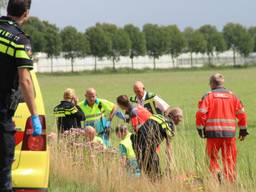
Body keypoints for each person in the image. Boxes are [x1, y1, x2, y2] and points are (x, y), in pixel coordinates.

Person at [0, 0, 42, 191]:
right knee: (3, 172)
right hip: (2, 113)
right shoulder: (19, 40)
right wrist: (34, 116)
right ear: (26, 13)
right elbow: (25, 81)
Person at [196, 73, 248, 183]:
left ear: (212, 84)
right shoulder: (233, 96)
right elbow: (242, 114)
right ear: (222, 83)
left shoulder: (208, 96)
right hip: (229, 135)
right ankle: (229, 184)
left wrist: (200, 128)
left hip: (212, 134)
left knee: (212, 158)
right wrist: (243, 129)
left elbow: (201, 113)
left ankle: (216, 177)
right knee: (229, 159)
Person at [117, 95, 183, 179]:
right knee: (156, 178)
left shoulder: (157, 116)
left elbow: (138, 128)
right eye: (180, 119)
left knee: (147, 174)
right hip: (148, 148)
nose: (180, 122)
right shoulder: (170, 126)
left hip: (137, 144)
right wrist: (170, 164)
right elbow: (168, 148)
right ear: (176, 117)